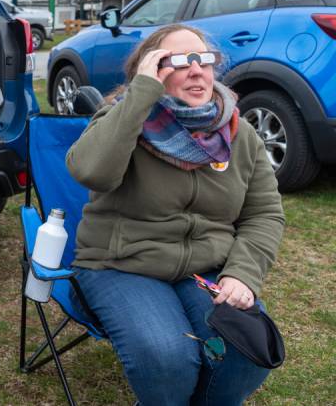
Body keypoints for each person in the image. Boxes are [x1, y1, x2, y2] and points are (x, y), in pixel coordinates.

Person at [65, 24, 285, 406]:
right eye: (180, 62)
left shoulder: (239, 133)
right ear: (151, 70)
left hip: (205, 268)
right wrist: (140, 98)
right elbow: (91, 171)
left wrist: (242, 272)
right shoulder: (122, 118)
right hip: (121, 265)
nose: (196, 70)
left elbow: (264, 212)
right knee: (166, 359)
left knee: (248, 350)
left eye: (204, 60)